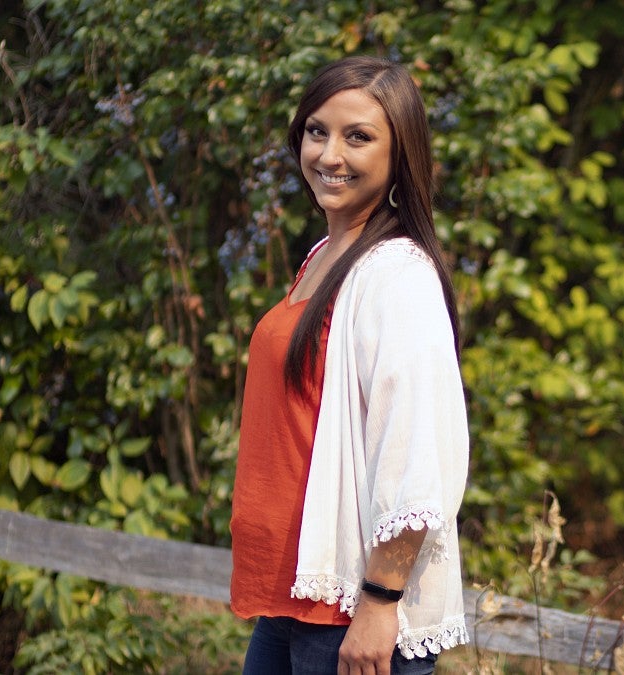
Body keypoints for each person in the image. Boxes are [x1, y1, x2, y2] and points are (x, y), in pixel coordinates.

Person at [229, 56, 470, 675]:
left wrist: (381, 600)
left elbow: (415, 452)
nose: (329, 154)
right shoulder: (324, 255)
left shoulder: (396, 274)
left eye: (358, 136)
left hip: (348, 613)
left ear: (400, 157)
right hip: (294, 597)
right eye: (317, 131)